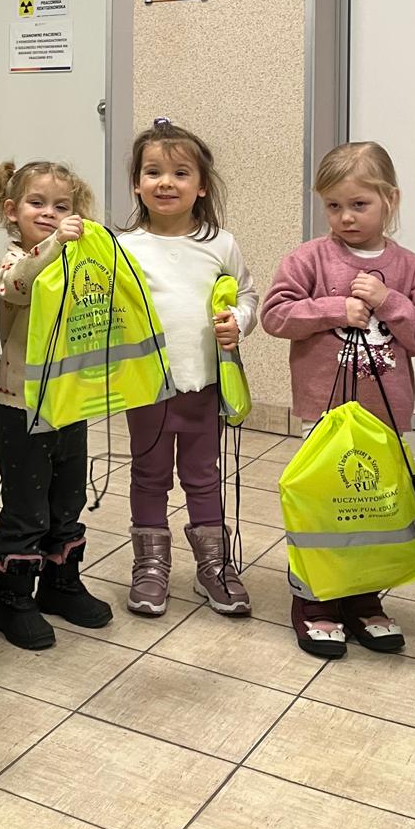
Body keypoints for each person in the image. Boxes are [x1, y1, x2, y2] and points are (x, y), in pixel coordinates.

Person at [262, 140, 415, 658]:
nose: (345, 217)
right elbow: (275, 315)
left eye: (359, 204)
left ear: (391, 199)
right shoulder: (309, 259)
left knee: (374, 509)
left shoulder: (410, 268)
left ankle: (363, 595)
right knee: (323, 509)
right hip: (323, 416)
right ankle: (315, 600)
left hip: (385, 418)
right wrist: (333, 309)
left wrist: (390, 302)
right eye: (333, 205)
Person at [120, 119, 258, 619]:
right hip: (146, 388)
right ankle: (150, 566)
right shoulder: (124, 247)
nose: (166, 182)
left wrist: (238, 321)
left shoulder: (221, 244)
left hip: (204, 385)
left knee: (203, 475)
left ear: (200, 186)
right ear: (137, 183)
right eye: (153, 172)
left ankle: (214, 565)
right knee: (149, 474)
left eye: (180, 173)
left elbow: (248, 295)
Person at [0, 158, 114, 651]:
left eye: (62, 206)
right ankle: (11, 599)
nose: (49, 213)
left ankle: (60, 583)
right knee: (26, 507)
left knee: (66, 499)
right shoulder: (13, 260)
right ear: (12, 211)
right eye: (37, 203)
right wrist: (58, 242)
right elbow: (19, 286)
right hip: (20, 406)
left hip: (68, 402)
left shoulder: (74, 261)